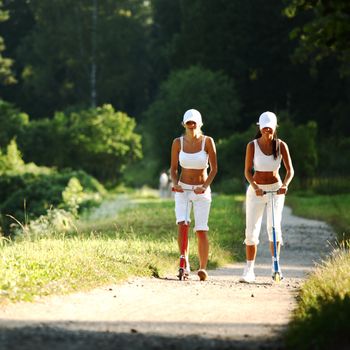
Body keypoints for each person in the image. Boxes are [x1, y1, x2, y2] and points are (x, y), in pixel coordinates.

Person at [240, 111, 294, 283]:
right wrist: (255, 187)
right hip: (256, 190)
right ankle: (249, 270)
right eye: (264, 128)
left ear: (274, 128)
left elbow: (290, 170)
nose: (267, 131)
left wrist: (285, 185)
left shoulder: (281, 145)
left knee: (274, 226)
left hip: (275, 190)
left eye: (270, 129)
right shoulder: (252, 146)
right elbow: (247, 172)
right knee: (251, 230)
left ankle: (275, 265)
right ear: (260, 128)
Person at [170, 109, 217, 281]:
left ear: (200, 123)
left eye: (194, 122)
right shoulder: (177, 143)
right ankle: (185, 263)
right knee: (182, 224)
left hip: (201, 190)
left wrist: (204, 186)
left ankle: (203, 268)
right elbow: (174, 169)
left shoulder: (208, 142)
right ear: (184, 124)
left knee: (201, 229)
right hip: (183, 189)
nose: (191, 125)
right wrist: (175, 184)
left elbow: (214, 169)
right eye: (188, 122)